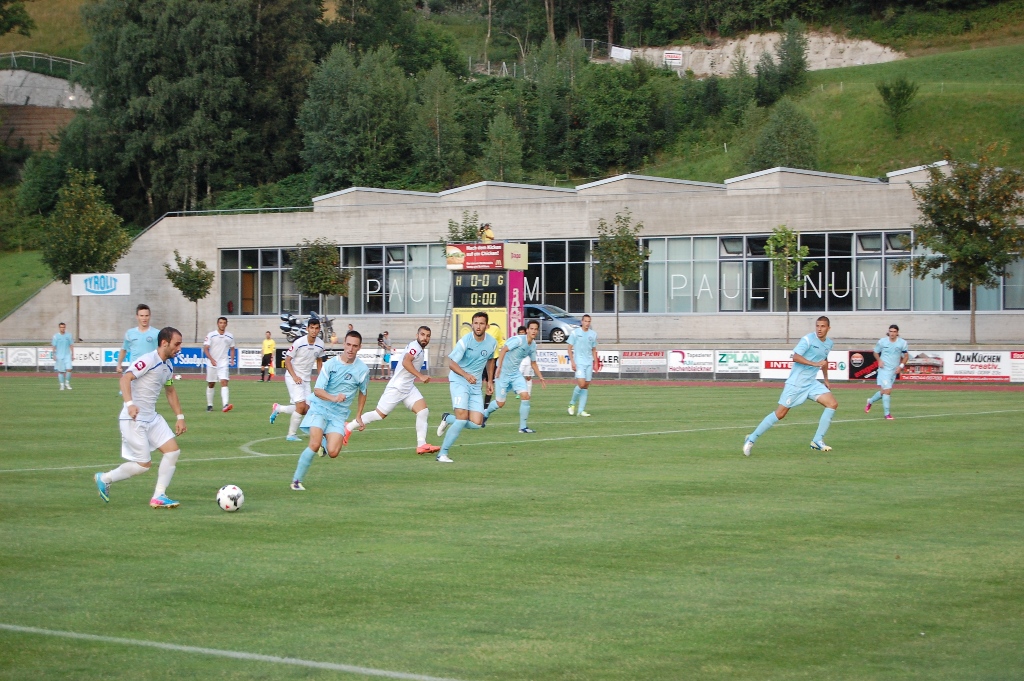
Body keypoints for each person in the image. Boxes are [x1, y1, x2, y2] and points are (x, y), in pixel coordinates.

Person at [94, 326, 187, 508]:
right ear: (164, 343)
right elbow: (125, 379)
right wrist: (130, 405)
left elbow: (170, 390)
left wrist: (180, 416)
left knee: (173, 452)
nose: (179, 348)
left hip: (152, 418)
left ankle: (159, 496)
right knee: (143, 465)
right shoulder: (148, 360)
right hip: (134, 419)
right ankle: (105, 478)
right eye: (176, 344)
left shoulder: (168, 365)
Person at [743, 316, 839, 456]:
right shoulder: (808, 339)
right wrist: (814, 364)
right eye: (817, 326)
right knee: (780, 414)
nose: (819, 329)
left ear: (828, 328)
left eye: (823, 326)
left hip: (811, 383)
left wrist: (826, 379)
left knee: (832, 404)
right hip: (796, 383)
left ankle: (817, 440)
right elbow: (795, 357)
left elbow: (824, 360)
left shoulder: (829, 343)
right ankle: (751, 438)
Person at [290, 330, 369, 490]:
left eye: (355, 346)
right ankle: (297, 481)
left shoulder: (362, 370)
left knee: (333, 452)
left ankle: (325, 440)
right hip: (319, 408)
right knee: (314, 443)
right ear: (343, 344)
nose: (350, 349)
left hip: (338, 416)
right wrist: (334, 398)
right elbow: (318, 390)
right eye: (348, 344)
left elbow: (363, 392)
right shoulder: (330, 365)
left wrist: (358, 415)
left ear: (359, 347)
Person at [344, 326, 440, 455]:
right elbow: (406, 362)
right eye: (422, 334)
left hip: (408, 387)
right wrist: (421, 376)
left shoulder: (419, 349)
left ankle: (421, 444)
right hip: (397, 387)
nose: (425, 338)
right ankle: (348, 427)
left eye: (428, 335)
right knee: (379, 415)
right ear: (417, 335)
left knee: (423, 411)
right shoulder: (415, 347)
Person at [435, 312, 496, 463]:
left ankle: (448, 418)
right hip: (459, 380)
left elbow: (490, 360)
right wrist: (466, 375)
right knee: (462, 419)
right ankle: (442, 453)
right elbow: (451, 363)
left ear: (486, 326)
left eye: (481, 323)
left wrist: (489, 381)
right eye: (475, 323)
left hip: (475, 385)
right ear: (472, 325)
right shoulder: (465, 341)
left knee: (477, 423)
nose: (478, 326)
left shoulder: (492, 342)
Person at [483, 319, 546, 433]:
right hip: (503, 373)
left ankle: (523, 427)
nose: (534, 331)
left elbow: (533, 362)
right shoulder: (518, 340)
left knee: (526, 396)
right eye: (531, 329)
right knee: (500, 403)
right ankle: (485, 414)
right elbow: (503, 350)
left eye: (536, 329)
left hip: (515, 374)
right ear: (527, 330)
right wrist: (500, 367)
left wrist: (541, 377)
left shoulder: (533, 346)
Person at [270, 318, 325, 441]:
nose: (314, 331)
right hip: (293, 377)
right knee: (300, 406)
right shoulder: (299, 342)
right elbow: (287, 360)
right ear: (307, 329)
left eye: (316, 328)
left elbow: (320, 362)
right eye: (312, 328)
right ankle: (291, 434)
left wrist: (321, 379)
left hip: (305, 379)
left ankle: (279, 408)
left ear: (319, 329)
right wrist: (294, 376)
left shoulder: (320, 344)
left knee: (306, 409)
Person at [866, 324, 909, 420]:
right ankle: (887, 414)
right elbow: (875, 352)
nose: (892, 333)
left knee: (883, 391)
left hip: (893, 371)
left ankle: (870, 401)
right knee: (888, 391)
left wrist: (901, 366)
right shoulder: (882, 342)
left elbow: (906, 356)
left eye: (894, 332)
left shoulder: (902, 343)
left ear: (897, 333)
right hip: (884, 369)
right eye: (891, 331)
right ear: (888, 332)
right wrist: (879, 361)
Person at [566, 314, 598, 417]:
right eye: (585, 321)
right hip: (579, 362)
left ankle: (581, 411)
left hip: (589, 362)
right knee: (581, 383)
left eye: (589, 321)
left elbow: (593, 349)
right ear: (582, 322)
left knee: (585, 386)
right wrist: (572, 362)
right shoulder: (575, 333)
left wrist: (596, 362)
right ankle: (572, 403)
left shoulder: (593, 334)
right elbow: (569, 348)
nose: (587, 323)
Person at [203, 317, 236, 412]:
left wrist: (232, 359)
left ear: (226, 324)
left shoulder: (230, 336)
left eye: (224, 323)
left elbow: (232, 348)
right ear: (218, 324)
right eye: (220, 323)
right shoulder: (211, 335)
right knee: (211, 383)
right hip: (212, 363)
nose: (222, 324)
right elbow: (206, 348)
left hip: (223, 363)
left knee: (224, 382)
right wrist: (211, 359)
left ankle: (225, 404)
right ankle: (210, 405)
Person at [116, 304, 158, 374]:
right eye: (141, 316)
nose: (144, 318)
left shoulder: (157, 333)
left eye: (146, 316)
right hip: (134, 370)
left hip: (150, 371)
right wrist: (119, 364)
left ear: (149, 316)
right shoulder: (130, 333)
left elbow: (162, 351)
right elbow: (124, 349)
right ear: (137, 317)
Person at [482, 321, 505, 409]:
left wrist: (506, 346)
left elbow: (501, 341)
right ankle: (474, 407)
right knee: (476, 385)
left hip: (492, 361)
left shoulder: (495, 329)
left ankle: (485, 408)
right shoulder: (477, 332)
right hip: (480, 361)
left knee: (489, 385)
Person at [51, 322, 74, 390]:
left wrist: (72, 354)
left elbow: (71, 345)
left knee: (69, 369)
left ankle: (67, 383)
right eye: (61, 327)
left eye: (63, 327)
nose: (62, 329)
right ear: (59, 328)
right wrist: (54, 355)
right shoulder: (56, 336)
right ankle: (62, 385)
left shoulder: (69, 335)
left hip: (67, 355)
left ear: (65, 328)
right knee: (61, 371)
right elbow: (54, 346)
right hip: (59, 356)